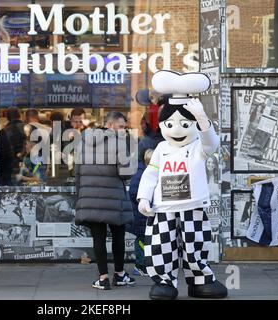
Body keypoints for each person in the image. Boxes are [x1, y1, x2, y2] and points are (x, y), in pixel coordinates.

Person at [137, 70, 227, 300]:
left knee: (194, 244)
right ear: (163, 124)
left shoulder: (198, 146)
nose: (177, 130)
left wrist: (203, 120)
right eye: (170, 124)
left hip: (192, 206)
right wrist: (144, 197)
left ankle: (200, 281)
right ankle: (164, 281)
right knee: (161, 246)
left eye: (186, 124)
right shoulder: (160, 149)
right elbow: (151, 174)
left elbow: (212, 144)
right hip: (164, 208)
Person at [75, 111, 135, 290]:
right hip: (114, 199)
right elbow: (125, 173)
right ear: (110, 125)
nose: (124, 130)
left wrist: (82, 195)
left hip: (90, 199)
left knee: (98, 239)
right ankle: (119, 274)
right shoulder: (118, 143)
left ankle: (103, 278)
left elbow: (77, 173)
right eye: (122, 126)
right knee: (118, 237)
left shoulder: (82, 142)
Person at [128, 149, 155, 277]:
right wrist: (145, 200)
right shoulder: (141, 174)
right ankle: (140, 266)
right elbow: (133, 193)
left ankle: (146, 265)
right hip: (141, 216)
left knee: (147, 240)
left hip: (146, 215)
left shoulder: (146, 172)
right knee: (142, 241)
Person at [0, 107, 25, 185]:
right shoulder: (30, 128)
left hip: (9, 173)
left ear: (7, 117)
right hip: (28, 171)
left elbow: (0, 156)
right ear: (20, 115)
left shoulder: (2, 133)